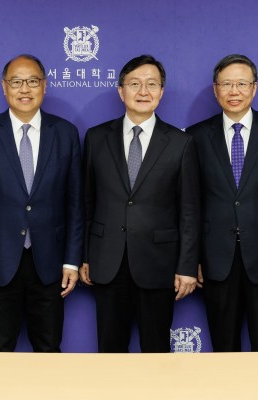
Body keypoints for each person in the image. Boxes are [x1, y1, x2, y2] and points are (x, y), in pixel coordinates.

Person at [0, 54, 83, 352]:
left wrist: (71, 260)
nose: (24, 89)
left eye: (32, 81)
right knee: (0, 350)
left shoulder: (65, 133)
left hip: (50, 263)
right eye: (16, 82)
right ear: (4, 87)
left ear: (44, 85)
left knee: (49, 348)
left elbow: (76, 203)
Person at [80, 55, 200, 353]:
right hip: (107, 261)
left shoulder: (180, 142)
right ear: (121, 91)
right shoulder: (96, 138)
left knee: (156, 351)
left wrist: (186, 266)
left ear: (161, 91)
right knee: (110, 350)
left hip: (159, 264)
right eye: (134, 84)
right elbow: (86, 202)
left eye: (151, 84)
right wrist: (84, 255)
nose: (143, 91)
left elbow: (189, 210)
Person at [186, 54, 258, 352]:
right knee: (224, 348)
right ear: (216, 90)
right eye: (226, 84)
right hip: (216, 260)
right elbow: (191, 204)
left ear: (255, 88)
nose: (234, 91)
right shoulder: (196, 136)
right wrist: (192, 259)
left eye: (241, 83)